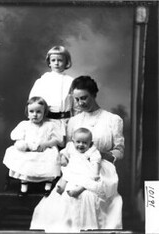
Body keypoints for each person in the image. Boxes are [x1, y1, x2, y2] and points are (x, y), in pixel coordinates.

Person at [30, 75, 124, 232]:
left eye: (84, 98)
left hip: (100, 171)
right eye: (77, 99)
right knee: (63, 198)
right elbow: (69, 149)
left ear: (94, 94)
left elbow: (119, 151)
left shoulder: (113, 120)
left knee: (88, 197)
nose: (81, 103)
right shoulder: (73, 121)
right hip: (76, 170)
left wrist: (97, 154)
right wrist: (64, 157)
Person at [3, 96, 64, 194]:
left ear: (44, 113)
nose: (35, 115)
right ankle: (24, 184)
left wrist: (46, 144)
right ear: (27, 113)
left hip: (44, 150)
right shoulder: (24, 125)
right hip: (29, 150)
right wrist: (24, 146)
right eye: (31, 111)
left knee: (51, 158)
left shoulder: (50, 125)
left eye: (39, 112)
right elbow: (17, 137)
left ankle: (48, 185)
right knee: (24, 159)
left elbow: (58, 139)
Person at [29, 46, 74, 142]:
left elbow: (76, 104)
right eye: (53, 60)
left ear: (66, 62)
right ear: (49, 62)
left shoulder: (71, 81)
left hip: (65, 121)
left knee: (65, 148)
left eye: (60, 60)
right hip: (46, 121)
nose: (56, 63)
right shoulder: (43, 80)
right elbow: (33, 102)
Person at [56, 127, 101, 197]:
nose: (81, 144)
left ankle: (78, 190)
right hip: (73, 167)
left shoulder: (92, 150)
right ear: (73, 141)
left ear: (91, 143)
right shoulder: (70, 146)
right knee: (66, 174)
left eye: (85, 143)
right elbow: (64, 152)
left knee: (88, 180)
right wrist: (63, 158)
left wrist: (95, 173)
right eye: (78, 142)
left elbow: (96, 161)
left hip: (86, 170)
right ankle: (62, 186)